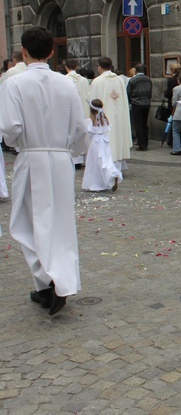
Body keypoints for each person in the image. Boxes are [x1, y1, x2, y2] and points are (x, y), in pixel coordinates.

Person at [0, 26, 88, 316]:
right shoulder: (67, 84)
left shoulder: (14, 83)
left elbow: (11, 128)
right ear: (52, 52)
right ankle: (55, 281)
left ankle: (49, 280)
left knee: (26, 223)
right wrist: (70, 151)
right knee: (60, 223)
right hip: (61, 160)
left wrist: (18, 144)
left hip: (32, 156)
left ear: (24, 52)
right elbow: (79, 128)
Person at [87, 57, 132, 170]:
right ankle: (118, 164)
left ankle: (107, 165)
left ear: (100, 67)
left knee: (109, 138)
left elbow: (91, 100)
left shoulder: (98, 81)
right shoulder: (119, 80)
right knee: (118, 136)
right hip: (120, 115)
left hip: (105, 117)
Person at [82, 99, 122, 192]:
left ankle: (97, 183)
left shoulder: (90, 121)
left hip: (95, 142)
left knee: (95, 163)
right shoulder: (105, 120)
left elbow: (88, 132)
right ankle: (112, 174)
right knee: (106, 160)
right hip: (105, 142)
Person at [65, 59, 91, 168]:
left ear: (66, 67)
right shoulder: (84, 80)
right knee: (82, 133)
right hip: (83, 111)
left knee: (71, 133)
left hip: (70, 111)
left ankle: (73, 158)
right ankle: (82, 158)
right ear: (76, 66)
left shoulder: (64, 80)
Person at [127, 63, 153, 151]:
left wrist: (130, 102)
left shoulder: (133, 80)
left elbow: (128, 92)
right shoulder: (148, 79)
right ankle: (145, 142)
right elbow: (150, 91)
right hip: (146, 103)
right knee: (144, 123)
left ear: (136, 70)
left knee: (138, 124)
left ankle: (141, 144)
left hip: (136, 103)